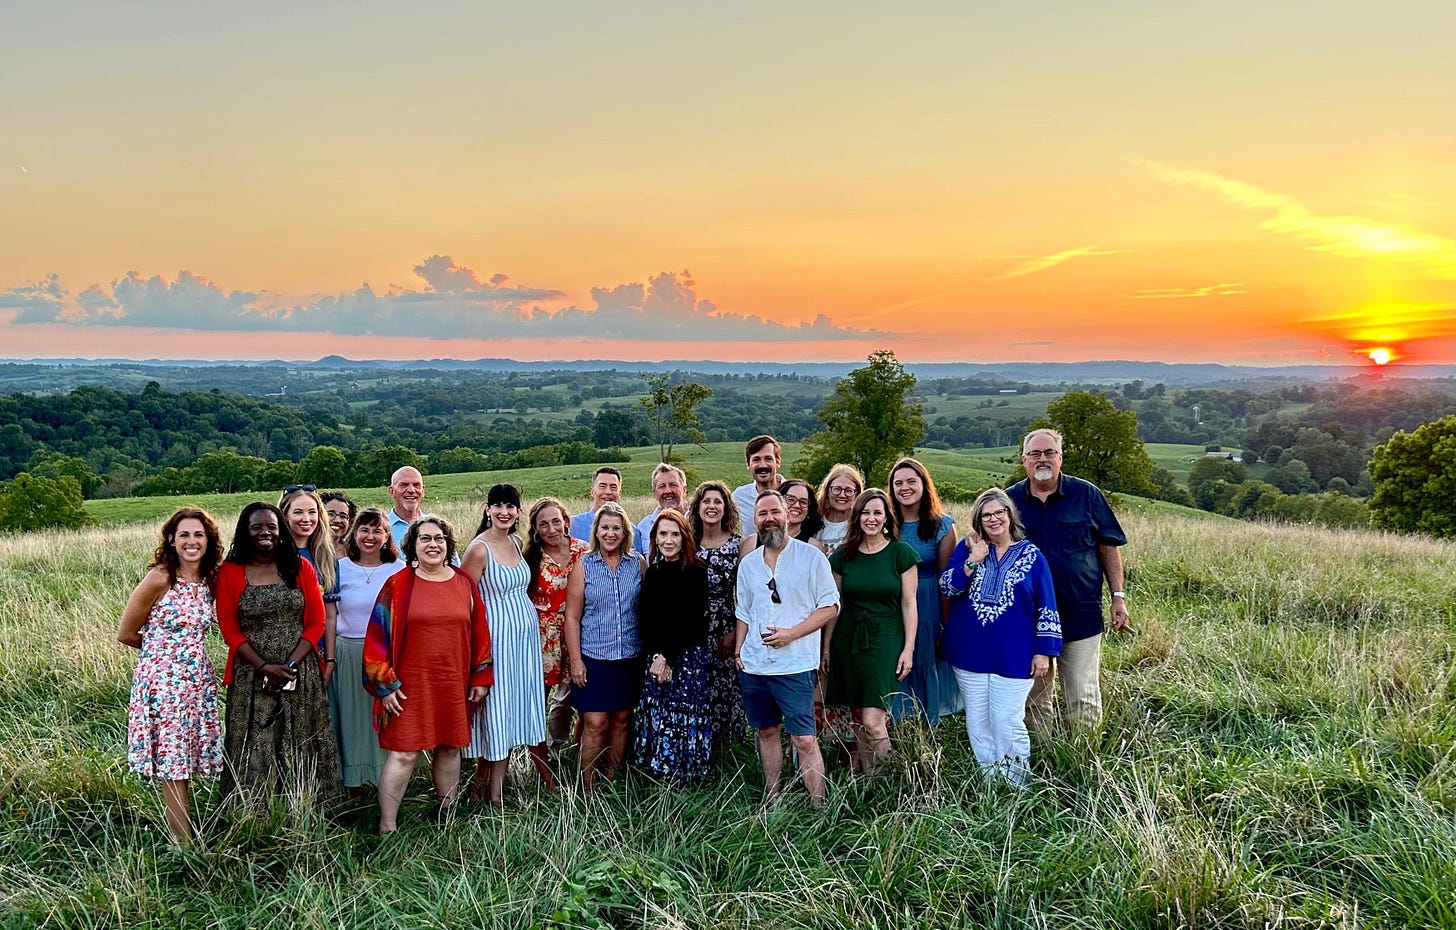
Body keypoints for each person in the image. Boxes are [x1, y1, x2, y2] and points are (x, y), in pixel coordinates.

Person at [366, 514, 492, 831]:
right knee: (404, 753)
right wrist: (385, 685)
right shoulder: (398, 585)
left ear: (448, 544)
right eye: (425, 538)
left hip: (453, 683)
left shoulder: (463, 582)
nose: (432, 544)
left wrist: (480, 676)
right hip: (408, 686)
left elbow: (480, 633)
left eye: (439, 538)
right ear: (413, 545)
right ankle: (387, 826)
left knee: (449, 748)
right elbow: (377, 639)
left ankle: (446, 818)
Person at [215, 502, 340, 804]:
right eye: (256, 527)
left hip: (300, 670)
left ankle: (307, 805)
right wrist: (263, 667)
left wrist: (289, 665)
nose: (265, 532)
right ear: (244, 532)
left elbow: (317, 622)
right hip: (251, 674)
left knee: (302, 736)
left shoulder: (300, 567)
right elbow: (230, 629)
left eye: (271, 526)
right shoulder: (230, 572)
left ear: (281, 531)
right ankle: (252, 811)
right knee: (254, 741)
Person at [1006, 428, 1129, 729]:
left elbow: (1108, 546)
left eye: (1049, 453)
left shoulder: (1086, 495)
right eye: (1035, 454)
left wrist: (1118, 597)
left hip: (1080, 613)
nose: (1042, 459)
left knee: (1082, 695)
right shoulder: (1009, 501)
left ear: (1061, 457)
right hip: (1028, 617)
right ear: (1024, 460)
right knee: (1034, 696)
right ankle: (1042, 754)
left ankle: (1083, 754)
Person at [117, 507, 224, 846]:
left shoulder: (209, 579)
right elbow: (126, 633)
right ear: (171, 540)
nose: (192, 542)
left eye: (199, 535)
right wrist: (163, 656)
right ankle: (183, 844)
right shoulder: (160, 578)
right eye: (184, 535)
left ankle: (188, 831)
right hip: (164, 681)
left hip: (198, 679)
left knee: (187, 756)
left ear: (208, 541)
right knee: (174, 762)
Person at [939, 489, 1060, 786]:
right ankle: (991, 784)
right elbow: (947, 587)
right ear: (978, 520)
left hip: (1015, 655)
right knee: (978, 720)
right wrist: (972, 560)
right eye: (986, 515)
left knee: (1007, 720)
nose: (993, 519)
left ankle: (1017, 785)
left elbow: (1047, 604)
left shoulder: (1032, 556)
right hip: (969, 652)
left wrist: (1044, 650)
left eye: (998, 512)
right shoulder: (969, 548)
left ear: (1009, 515)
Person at [735, 489, 839, 804]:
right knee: (766, 732)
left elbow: (830, 606)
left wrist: (791, 634)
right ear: (755, 520)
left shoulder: (811, 557)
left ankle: (819, 807)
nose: (769, 519)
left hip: (795, 664)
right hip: (755, 665)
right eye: (762, 514)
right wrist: (739, 651)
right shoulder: (749, 564)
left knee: (804, 738)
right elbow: (743, 611)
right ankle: (773, 801)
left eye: (774, 512)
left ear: (787, 514)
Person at [462, 485, 549, 803]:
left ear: (518, 512)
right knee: (497, 710)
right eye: (497, 505)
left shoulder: (515, 541)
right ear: (487, 510)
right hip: (497, 640)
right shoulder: (478, 549)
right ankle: (487, 791)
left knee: (514, 707)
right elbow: (465, 601)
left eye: (510, 506)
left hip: (524, 642)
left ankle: (496, 787)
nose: (504, 512)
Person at [823, 489, 918, 772]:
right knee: (857, 717)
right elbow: (835, 604)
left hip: (885, 637)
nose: (871, 518)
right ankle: (868, 778)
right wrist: (826, 647)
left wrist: (908, 648)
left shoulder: (901, 553)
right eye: (865, 512)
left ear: (887, 517)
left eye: (877, 512)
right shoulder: (843, 556)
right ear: (857, 517)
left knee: (873, 720)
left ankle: (886, 778)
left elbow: (909, 603)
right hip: (848, 639)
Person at [564, 502, 646, 791]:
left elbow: (648, 608)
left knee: (622, 719)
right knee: (595, 721)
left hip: (630, 655)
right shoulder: (584, 565)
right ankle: (588, 785)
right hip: (594, 656)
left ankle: (611, 779)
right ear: (596, 532)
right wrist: (576, 660)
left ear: (625, 533)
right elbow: (572, 617)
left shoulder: (637, 563)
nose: (611, 534)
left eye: (617, 528)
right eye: (605, 528)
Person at [633, 510, 714, 783]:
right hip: (656, 656)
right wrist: (657, 655)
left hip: (687, 656)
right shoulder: (653, 573)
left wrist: (667, 657)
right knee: (659, 709)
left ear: (684, 538)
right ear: (655, 538)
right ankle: (656, 770)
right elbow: (646, 618)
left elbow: (690, 619)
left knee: (683, 711)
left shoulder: (696, 571)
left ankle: (685, 774)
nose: (669, 540)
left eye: (675, 534)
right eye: (663, 534)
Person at [333, 507, 405, 793]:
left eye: (378, 531)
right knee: (353, 720)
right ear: (354, 534)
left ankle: (386, 781)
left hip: (386, 655)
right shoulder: (340, 568)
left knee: (384, 719)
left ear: (387, 537)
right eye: (364, 529)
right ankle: (354, 782)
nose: (370, 536)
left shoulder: (398, 569)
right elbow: (329, 614)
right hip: (349, 653)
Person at [886, 457, 960, 724]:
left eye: (911, 481)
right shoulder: (886, 524)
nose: (904, 488)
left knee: (925, 658)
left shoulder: (942, 525)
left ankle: (927, 723)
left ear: (923, 485)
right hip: (892, 602)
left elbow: (946, 579)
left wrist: (946, 622)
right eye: (898, 483)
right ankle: (895, 722)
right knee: (895, 659)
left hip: (928, 601)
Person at [525, 497, 590, 759]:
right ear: (535, 528)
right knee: (537, 698)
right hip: (540, 637)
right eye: (543, 524)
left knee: (568, 697)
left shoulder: (583, 551)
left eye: (556, 521)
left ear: (565, 521)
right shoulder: (530, 556)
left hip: (576, 632)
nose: (551, 529)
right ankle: (537, 756)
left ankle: (560, 751)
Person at [688, 480, 747, 751]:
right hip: (692, 626)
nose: (711, 506)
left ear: (726, 508)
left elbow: (746, 594)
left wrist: (735, 633)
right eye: (706, 501)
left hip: (725, 625)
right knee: (696, 686)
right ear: (697, 507)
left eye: (717, 501)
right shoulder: (688, 542)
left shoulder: (738, 544)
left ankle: (726, 752)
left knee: (725, 688)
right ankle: (697, 748)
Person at [278, 485, 340, 680]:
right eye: (298, 512)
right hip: (279, 652)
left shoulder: (326, 557)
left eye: (312, 512)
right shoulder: (272, 556)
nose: (306, 519)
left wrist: (330, 659)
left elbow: (330, 615)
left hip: (316, 652)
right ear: (284, 515)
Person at [740, 479, 822, 556]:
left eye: (803, 502)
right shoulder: (752, 543)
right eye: (791, 499)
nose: (797, 505)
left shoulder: (814, 547)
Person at [732, 435, 785, 526]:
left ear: (778, 462)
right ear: (748, 464)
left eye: (768, 459)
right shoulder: (738, 498)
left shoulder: (794, 495)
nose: (762, 465)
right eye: (756, 460)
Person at [814, 464, 865, 556]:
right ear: (827, 491)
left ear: (857, 494)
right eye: (837, 489)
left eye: (848, 490)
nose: (842, 495)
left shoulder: (861, 524)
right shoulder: (814, 521)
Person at [569, 466, 623, 542]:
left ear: (619, 493)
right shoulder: (572, 525)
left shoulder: (632, 531)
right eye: (602, 486)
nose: (608, 492)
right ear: (592, 491)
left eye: (613, 487)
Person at [636, 463, 687, 543]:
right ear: (655, 493)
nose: (668, 491)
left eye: (673, 485)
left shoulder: (698, 522)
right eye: (662, 486)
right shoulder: (644, 527)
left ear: (684, 490)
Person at [386, 466, 426, 546]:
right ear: (392, 491)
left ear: (423, 491)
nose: (411, 490)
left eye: (416, 485)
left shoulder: (436, 528)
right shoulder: (381, 529)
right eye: (404, 485)